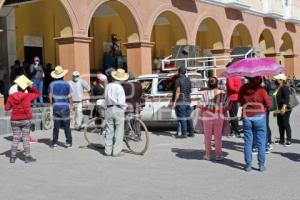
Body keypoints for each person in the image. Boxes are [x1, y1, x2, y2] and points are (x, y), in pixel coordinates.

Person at [238, 76, 271, 172]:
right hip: (260, 116)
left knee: (248, 142)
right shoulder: (261, 89)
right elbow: (269, 104)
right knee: (261, 142)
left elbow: (240, 101)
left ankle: (248, 165)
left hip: (247, 116)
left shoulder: (243, 88)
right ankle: (261, 165)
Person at [5, 82, 40, 163]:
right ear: (25, 88)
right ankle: (27, 157)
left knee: (15, 138)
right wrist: (31, 87)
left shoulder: (11, 97)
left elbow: (7, 108)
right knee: (25, 138)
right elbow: (38, 93)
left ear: (17, 88)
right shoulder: (28, 95)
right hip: (26, 120)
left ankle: (12, 157)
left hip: (15, 120)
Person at [198, 77, 229, 161]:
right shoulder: (223, 94)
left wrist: (199, 116)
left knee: (207, 136)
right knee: (218, 136)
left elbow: (201, 106)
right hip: (219, 116)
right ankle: (218, 155)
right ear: (217, 84)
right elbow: (227, 106)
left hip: (207, 116)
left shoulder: (205, 94)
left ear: (208, 84)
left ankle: (208, 155)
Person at [104, 69, 128, 156]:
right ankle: (116, 151)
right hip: (118, 109)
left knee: (109, 130)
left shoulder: (108, 86)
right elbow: (121, 102)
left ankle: (107, 150)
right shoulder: (120, 87)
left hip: (109, 109)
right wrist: (125, 107)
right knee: (119, 131)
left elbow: (105, 99)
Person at [48, 66, 73, 148]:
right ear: (62, 75)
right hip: (65, 107)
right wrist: (71, 106)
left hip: (56, 107)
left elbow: (50, 96)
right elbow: (69, 96)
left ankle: (54, 142)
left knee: (56, 126)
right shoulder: (67, 84)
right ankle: (69, 142)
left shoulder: (52, 84)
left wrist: (52, 104)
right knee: (67, 126)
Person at [170, 66, 194, 138]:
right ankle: (191, 132)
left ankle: (184, 133)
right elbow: (190, 91)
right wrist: (189, 99)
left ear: (179, 72)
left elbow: (177, 91)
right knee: (188, 116)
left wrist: (174, 102)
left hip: (181, 100)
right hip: (187, 100)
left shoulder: (178, 80)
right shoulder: (188, 80)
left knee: (182, 117)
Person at [273, 74, 293, 146]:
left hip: (285, 109)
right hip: (279, 109)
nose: (275, 80)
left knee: (285, 124)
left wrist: (283, 108)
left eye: (277, 79)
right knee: (280, 124)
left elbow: (287, 99)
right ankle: (281, 140)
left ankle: (289, 140)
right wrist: (276, 111)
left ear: (281, 80)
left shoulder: (284, 87)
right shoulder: (279, 87)